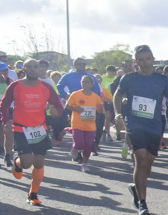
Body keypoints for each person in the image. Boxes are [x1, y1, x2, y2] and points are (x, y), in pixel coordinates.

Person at [113, 45, 168, 215]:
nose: (145, 63)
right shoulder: (128, 78)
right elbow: (117, 96)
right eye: (141, 60)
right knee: (140, 159)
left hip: (155, 125)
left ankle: (136, 186)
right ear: (136, 62)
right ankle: (143, 203)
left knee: (147, 163)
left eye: (148, 59)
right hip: (134, 124)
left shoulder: (162, 80)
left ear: (153, 59)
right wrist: (118, 113)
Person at [0, 59, 65, 205]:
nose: (33, 69)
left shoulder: (46, 87)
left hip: (39, 128)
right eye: (29, 67)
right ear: (24, 69)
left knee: (39, 161)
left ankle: (33, 194)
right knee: (27, 163)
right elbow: (3, 104)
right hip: (20, 128)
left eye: (36, 67)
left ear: (40, 69)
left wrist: (56, 112)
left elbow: (58, 106)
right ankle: (18, 164)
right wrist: (6, 120)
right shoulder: (15, 86)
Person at [65, 74, 104, 172]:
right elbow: (67, 106)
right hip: (77, 124)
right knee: (79, 145)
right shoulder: (75, 94)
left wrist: (100, 108)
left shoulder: (96, 97)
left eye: (87, 82)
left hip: (90, 125)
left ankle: (85, 164)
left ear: (92, 84)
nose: (84, 84)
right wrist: (75, 109)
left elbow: (100, 110)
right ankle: (75, 148)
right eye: (83, 82)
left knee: (88, 146)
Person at [0, 61, 13, 168]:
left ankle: (7, 155)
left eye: (4, 71)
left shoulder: (10, 83)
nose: (2, 74)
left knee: (8, 132)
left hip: (8, 110)